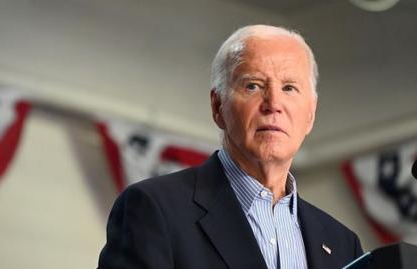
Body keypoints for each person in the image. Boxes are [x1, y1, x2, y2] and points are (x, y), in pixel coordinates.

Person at [97, 25, 363, 269]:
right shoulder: (155, 209)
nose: (273, 103)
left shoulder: (342, 243)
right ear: (218, 107)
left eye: (289, 88)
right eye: (253, 85)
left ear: (311, 114)